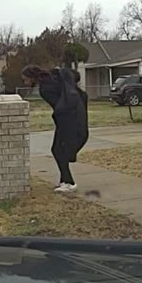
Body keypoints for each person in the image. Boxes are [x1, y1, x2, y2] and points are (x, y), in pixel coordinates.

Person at [23, 64, 89, 193]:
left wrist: (59, 119)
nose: (25, 82)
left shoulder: (45, 89)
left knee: (58, 150)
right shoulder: (55, 77)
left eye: (25, 79)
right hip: (78, 117)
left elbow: (59, 106)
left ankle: (69, 182)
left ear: (32, 77)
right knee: (58, 150)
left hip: (68, 120)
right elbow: (75, 76)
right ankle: (65, 180)